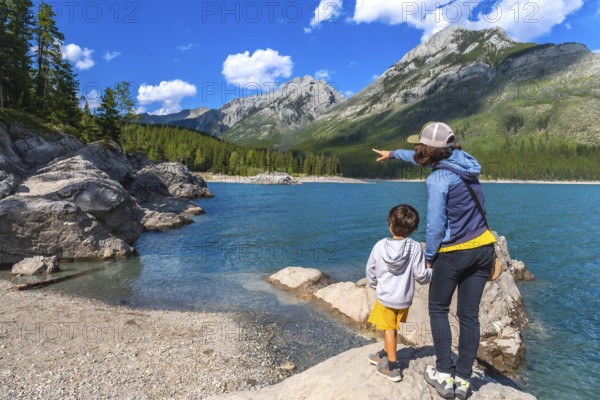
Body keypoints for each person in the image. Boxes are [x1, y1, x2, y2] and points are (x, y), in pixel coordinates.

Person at [372, 122, 495, 399]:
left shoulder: (437, 180)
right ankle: (463, 381)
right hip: (484, 248)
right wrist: (392, 154)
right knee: (469, 316)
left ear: (428, 149)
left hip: (454, 253)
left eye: (419, 145)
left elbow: (436, 225)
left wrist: (429, 257)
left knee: (438, 310)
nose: (416, 149)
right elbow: (418, 158)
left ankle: (443, 372)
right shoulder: (465, 163)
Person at [366, 204, 432, 382]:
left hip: (386, 298)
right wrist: (431, 272)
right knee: (392, 327)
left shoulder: (380, 245)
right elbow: (421, 275)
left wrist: (373, 284)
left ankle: (393, 367)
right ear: (413, 229)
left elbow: (370, 269)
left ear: (390, 225)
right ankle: (384, 353)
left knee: (388, 328)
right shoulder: (415, 247)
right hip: (404, 299)